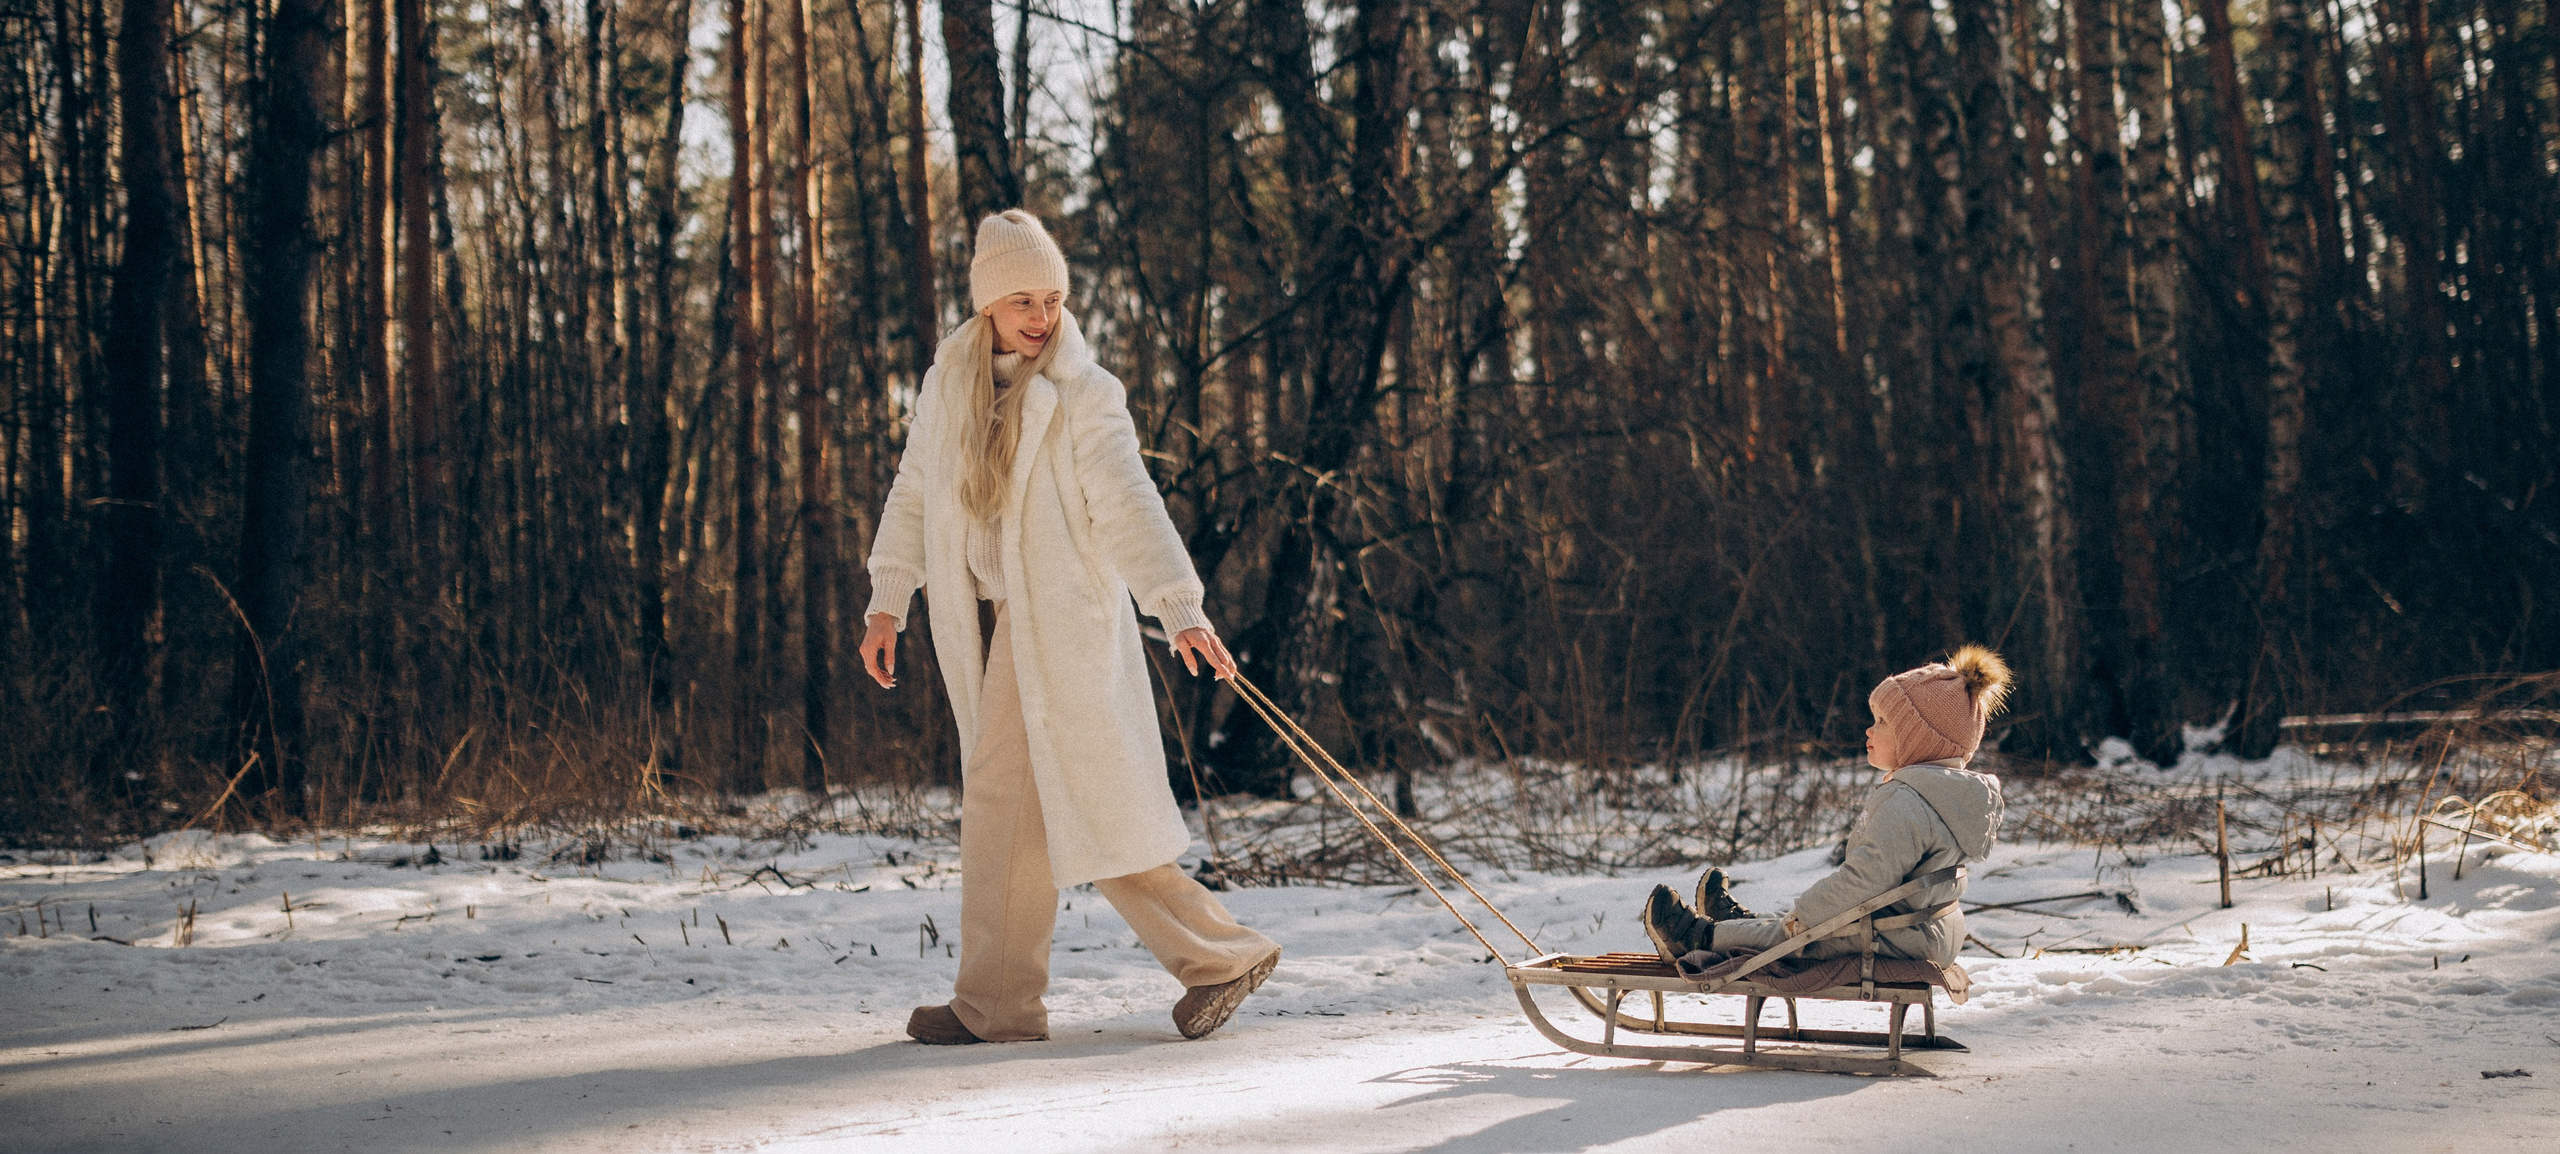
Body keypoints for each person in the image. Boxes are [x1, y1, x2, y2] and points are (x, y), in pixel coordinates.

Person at [860, 210, 1280, 1045]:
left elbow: (1128, 500)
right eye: (1023, 299)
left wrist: (1177, 603)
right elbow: (914, 493)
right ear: (987, 304)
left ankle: (1005, 1002)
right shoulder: (949, 387)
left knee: (1011, 800)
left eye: (1053, 298)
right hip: (981, 620)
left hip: (1057, 621)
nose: (1042, 316)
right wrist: (887, 599)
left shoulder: (1085, 392)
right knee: (1054, 805)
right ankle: (1203, 958)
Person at [1640, 646, 2012, 973]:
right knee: (1800, 919)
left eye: (1883, 722)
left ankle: (1696, 937)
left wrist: (1803, 916)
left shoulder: (1907, 801)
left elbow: (1864, 881)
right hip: (1925, 929)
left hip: (1896, 938)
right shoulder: (1947, 795)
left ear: (1918, 740)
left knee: (1803, 930)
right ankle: (1740, 925)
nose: (1869, 730)